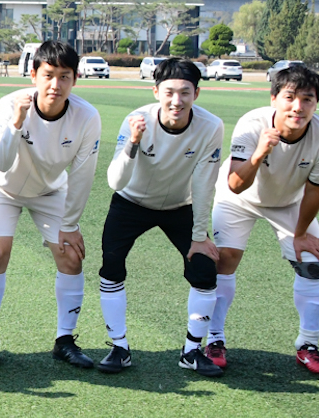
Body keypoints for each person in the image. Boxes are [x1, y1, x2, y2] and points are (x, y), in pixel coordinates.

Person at [0, 40, 102, 369]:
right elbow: (1, 162)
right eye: (48, 75)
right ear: (33, 75)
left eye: (64, 76)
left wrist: (70, 226)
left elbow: (83, 175)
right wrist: (16, 123)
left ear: (75, 79)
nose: (55, 84)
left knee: (71, 255)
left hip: (50, 191)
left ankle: (65, 340)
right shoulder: (10, 103)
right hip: (2, 187)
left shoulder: (87, 116)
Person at [207, 62, 319, 375]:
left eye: (307, 99)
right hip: (239, 198)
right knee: (225, 258)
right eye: (290, 97)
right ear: (274, 99)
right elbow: (235, 184)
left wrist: (300, 234)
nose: (298, 107)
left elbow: (315, 191)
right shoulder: (252, 124)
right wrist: (259, 153)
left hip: (289, 202)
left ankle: (308, 345)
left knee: (311, 264)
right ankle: (214, 339)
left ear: (316, 104)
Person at [97, 56, 226, 376]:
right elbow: (115, 181)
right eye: (169, 92)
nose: (176, 101)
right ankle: (119, 347)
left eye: (185, 92)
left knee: (204, 267)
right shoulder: (137, 119)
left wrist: (199, 237)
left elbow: (204, 184)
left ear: (197, 94)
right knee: (111, 266)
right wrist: (134, 143)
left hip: (179, 205)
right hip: (131, 202)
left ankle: (192, 351)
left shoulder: (211, 126)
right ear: (156, 92)